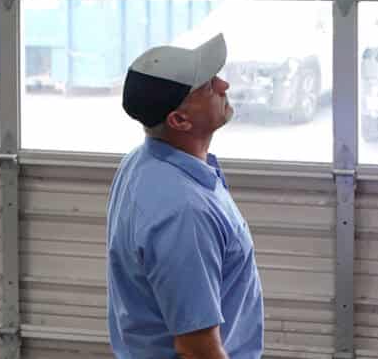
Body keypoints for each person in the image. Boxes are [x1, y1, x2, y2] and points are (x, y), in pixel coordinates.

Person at [106, 33, 265, 359]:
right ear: (179, 120)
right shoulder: (184, 212)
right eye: (208, 86)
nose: (223, 85)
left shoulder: (141, 162)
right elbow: (197, 349)